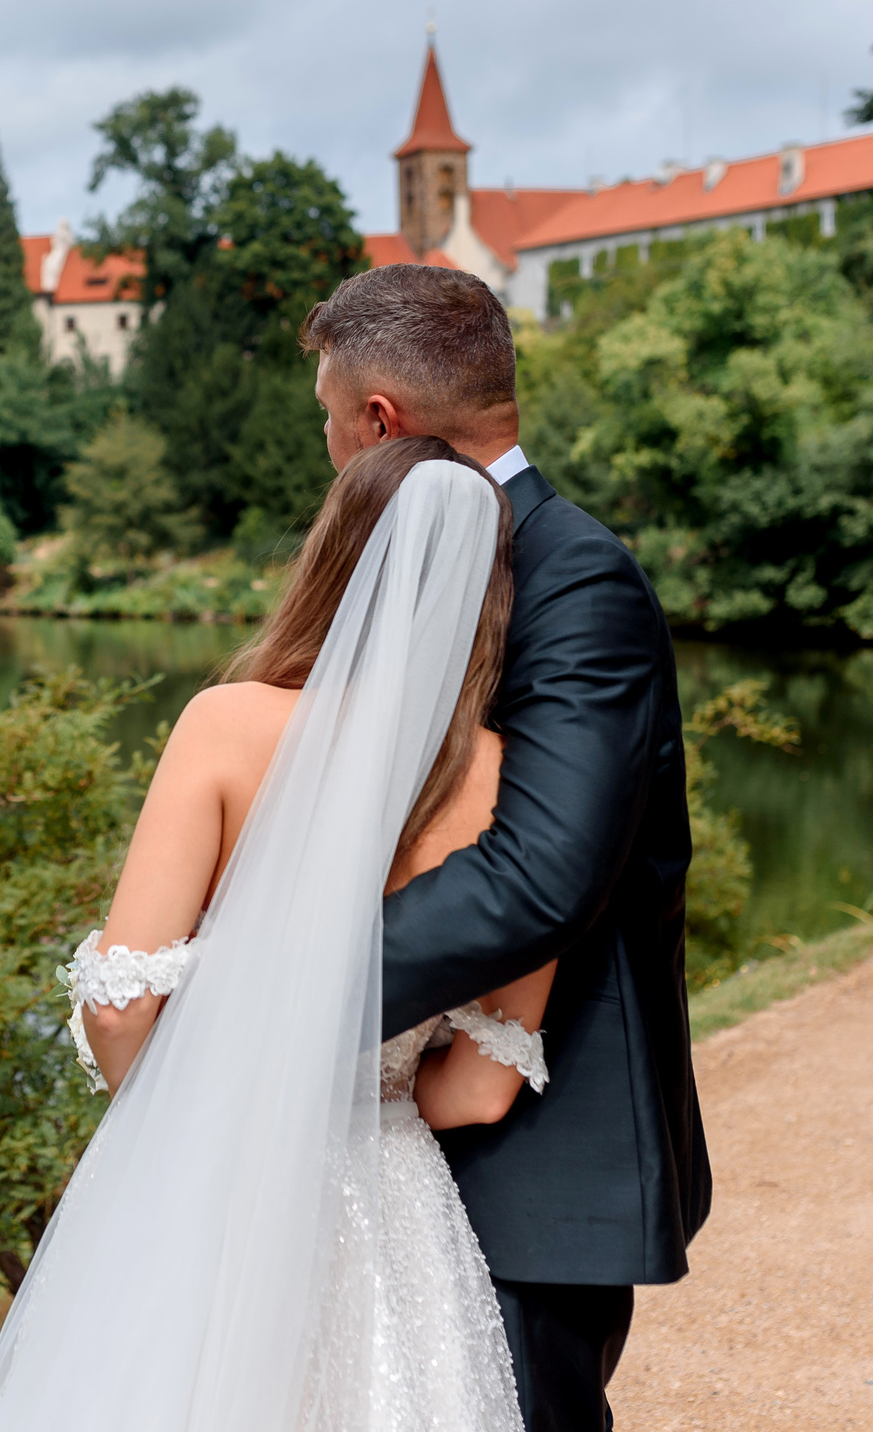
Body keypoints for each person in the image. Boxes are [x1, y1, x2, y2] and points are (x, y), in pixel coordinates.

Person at [0, 433, 548, 1431]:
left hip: (204, 1180)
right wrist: (384, 1097)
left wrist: (196, 1117)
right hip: (391, 1202)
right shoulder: (512, 784)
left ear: (333, 556)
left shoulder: (224, 726)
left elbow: (120, 1007)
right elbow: (484, 1086)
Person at [315, 265, 708, 1432]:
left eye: (330, 420)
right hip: (412, 1130)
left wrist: (285, 987)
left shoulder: (571, 575)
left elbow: (540, 871)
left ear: (380, 420)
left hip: (534, 1150)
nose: (329, 448)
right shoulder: (415, 568)